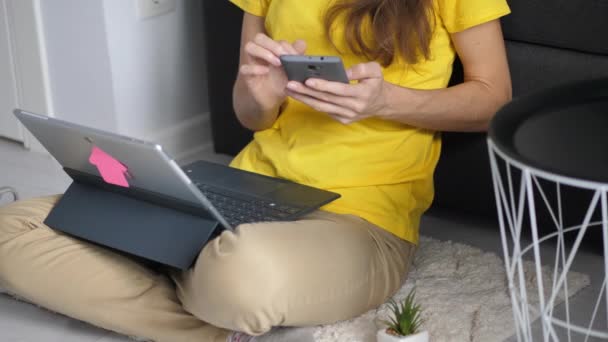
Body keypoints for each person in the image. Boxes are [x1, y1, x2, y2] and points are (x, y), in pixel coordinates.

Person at [0, 0, 511, 341]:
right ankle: (215, 315)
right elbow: (251, 114)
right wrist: (259, 92)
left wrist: (385, 101)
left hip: (363, 218)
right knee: (10, 230)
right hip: (245, 186)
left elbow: (494, 101)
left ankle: (187, 276)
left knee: (239, 274)